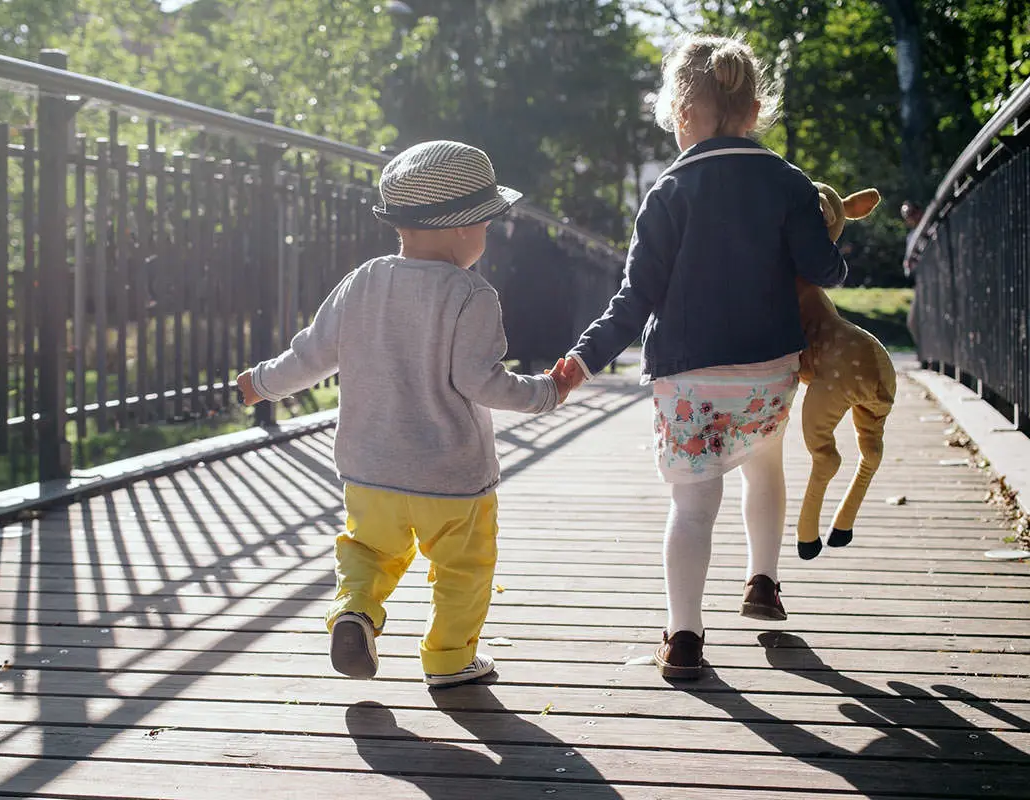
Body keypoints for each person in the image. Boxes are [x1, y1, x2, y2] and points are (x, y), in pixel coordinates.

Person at [554, 35, 849, 679]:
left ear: (685, 110)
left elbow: (635, 298)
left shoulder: (669, 191)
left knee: (692, 506)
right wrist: (831, 230)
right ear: (753, 110)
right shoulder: (789, 182)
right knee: (763, 464)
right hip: (767, 369)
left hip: (689, 377)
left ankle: (684, 638)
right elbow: (824, 269)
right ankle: (763, 583)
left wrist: (582, 361)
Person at [237, 140, 571, 688]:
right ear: (464, 228)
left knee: (368, 551)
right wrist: (546, 393)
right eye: (486, 223)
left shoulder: (362, 280)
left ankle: (356, 612)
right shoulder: (472, 294)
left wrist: (261, 382)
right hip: (452, 479)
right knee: (462, 570)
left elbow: (311, 356)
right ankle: (448, 658)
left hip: (370, 471)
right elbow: (480, 382)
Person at [901, 200, 924, 343]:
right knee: (913, 322)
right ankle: (923, 352)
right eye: (906, 216)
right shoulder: (911, 237)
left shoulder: (931, 230)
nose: (910, 218)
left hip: (934, 282)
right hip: (919, 283)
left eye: (911, 214)